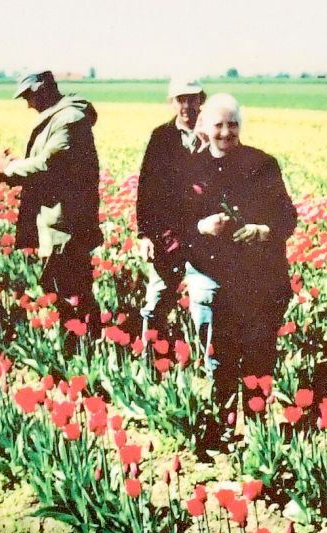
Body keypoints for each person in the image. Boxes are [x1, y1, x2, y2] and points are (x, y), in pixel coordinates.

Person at [180, 93, 297, 457]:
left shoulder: (261, 164)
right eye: (218, 124)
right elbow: (176, 221)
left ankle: (260, 433)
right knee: (221, 358)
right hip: (216, 278)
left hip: (261, 278)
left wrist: (263, 230)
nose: (226, 132)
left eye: (232, 124)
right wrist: (201, 225)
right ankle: (223, 428)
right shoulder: (191, 169)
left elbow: (287, 216)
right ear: (204, 127)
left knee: (260, 354)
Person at [0, 71, 104, 336]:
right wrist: (16, 163)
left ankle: (82, 347)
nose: (28, 104)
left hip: (65, 223)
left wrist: (8, 169)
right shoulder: (61, 116)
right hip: (56, 219)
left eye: (29, 96)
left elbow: (49, 165)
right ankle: (79, 345)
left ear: (43, 90)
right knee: (63, 287)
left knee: (69, 290)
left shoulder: (70, 119)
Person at [136, 77, 206, 342]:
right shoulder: (161, 137)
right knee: (156, 302)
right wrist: (144, 235)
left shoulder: (214, 134)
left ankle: (206, 366)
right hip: (169, 236)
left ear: (202, 99)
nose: (187, 104)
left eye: (193, 98)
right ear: (173, 102)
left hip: (205, 238)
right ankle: (150, 361)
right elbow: (146, 189)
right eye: (181, 99)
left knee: (207, 305)